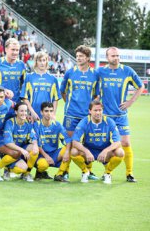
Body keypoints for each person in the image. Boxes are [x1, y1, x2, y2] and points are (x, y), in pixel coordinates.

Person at [98, 47, 144, 182]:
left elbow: (140, 86)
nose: (116, 58)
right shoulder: (100, 71)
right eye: (113, 56)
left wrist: (130, 101)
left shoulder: (127, 71)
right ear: (107, 57)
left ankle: (129, 173)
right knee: (103, 145)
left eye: (117, 55)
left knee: (125, 142)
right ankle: (98, 171)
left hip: (120, 114)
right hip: (105, 116)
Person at [60, 45, 99, 180]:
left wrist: (90, 110)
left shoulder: (94, 74)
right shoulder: (70, 72)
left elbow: (96, 95)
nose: (78, 58)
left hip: (86, 116)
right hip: (71, 114)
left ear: (87, 58)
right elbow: (63, 91)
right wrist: (70, 104)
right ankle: (65, 172)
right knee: (69, 143)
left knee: (87, 144)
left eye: (81, 56)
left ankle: (88, 171)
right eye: (77, 56)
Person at [0, 38, 26, 169]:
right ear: (6, 49)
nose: (15, 52)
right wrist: (3, 91)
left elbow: (24, 86)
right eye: (13, 50)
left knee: (11, 137)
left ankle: (6, 166)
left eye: (17, 50)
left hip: (14, 108)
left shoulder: (22, 65)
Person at [71, 100, 124, 184]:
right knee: (74, 151)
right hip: (89, 151)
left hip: (104, 151)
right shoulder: (84, 121)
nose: (98, 113)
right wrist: (87, 151)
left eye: (100, 110)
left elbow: (117, 142)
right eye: (95, 110)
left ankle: (107, 173)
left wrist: (105, 151)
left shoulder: (109, 121)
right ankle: (85, 172)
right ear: (90, 111)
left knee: (120, 152)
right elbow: (75, 142)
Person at [33, 102, 71, 182]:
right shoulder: (36, 125)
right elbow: (37, 144)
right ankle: (40, 172)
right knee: (42, 165)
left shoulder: (57, 125)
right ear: (41, 112)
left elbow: (67, 140)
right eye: (46, 111)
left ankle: (59, 175)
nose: (49, 114)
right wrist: (46, 156)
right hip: (41, 155)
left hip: (54, 154)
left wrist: (67, 152)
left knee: (70, 149)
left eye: (51, 111)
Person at [2, 102, 39, 182]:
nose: (24, 113)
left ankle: (26, 174)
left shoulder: (28, 123)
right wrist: (22, 150)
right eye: (21, 111)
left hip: (22, 151)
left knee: (35, 149)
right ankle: (7, 169)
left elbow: (33, 137)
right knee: (21, 169)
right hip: (11, 152)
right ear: (16, 112)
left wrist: (35, 145)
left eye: (25, 111)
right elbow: (8, 143)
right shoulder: (10, 122)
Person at [20, 51, 61, 121]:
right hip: (33, 116)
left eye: (44, 60)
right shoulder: (29, 77)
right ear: (36, 62)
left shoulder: (53, 79)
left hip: (48, 116)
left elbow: (55, 99)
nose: (42, 63)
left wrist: (53, 114)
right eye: (39, 60)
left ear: (46, 62)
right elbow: (24, 98)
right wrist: (32, 112)